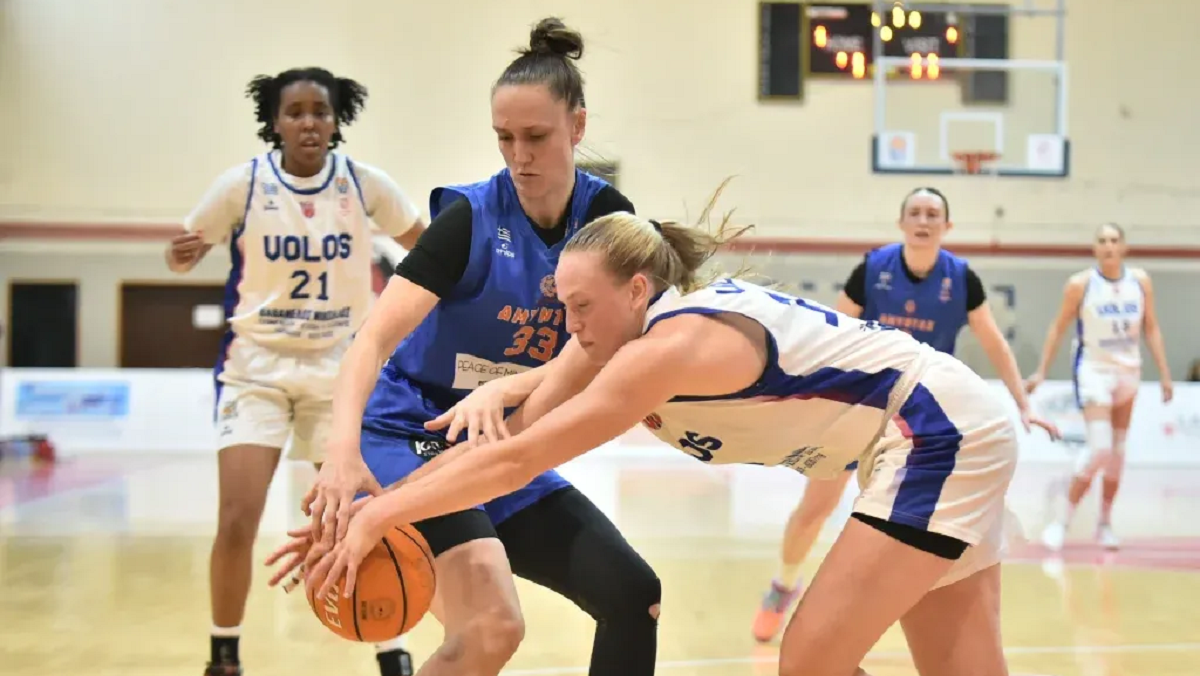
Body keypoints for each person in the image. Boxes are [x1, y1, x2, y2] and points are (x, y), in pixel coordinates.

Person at [295, 202, 1055, 676]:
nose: (568, 327)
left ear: (636, 290)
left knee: (809, 662)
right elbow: (507, 441)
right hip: (939, 427)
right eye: (562, 308)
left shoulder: (667, 347)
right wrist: (378, 505)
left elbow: (522, 460)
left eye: (581, 306)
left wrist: (378, 514)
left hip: (931, 429)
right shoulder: (614, 340)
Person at [274, 18, 660, 676]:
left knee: (632, 595)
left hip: (502, 436)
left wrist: (509, 393)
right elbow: (372, 340)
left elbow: (601, 356)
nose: (519, 155)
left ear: (577, 126)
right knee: (491, 626)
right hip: (410, 430)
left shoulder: (608, 222)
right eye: (504, 137)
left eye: (536, 136)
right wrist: (340, 456)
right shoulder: (470, 219)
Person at [165, 67, 427, 676]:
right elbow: (182, 255)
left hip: (341, 370)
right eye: (295, 112)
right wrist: (179, 256)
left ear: (336, 121)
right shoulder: (242, 186)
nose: (309, 122)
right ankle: (224, 654)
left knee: (359, 512)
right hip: (255, 369)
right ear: (275, 122)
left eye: (320, 111)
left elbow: (429, 247)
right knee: (238, 517)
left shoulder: (364, 184)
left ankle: (391, 647)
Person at [753, 186, 1058, 643]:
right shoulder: (872, 270)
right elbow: (829, 334)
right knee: (815, 509)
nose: (923, 220)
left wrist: (1025, 404)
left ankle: (912, 612)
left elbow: (993, 341)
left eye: (933, 214)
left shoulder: (962, 279)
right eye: (915, 212)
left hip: (922, 421)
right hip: (859, 404)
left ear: (947, 226)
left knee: (910, 521)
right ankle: (783, 584)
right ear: (901, 223)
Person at [1026, 222, 1172, 551]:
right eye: (1102, 240)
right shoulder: (1080, 284)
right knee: (1100, 449)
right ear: (1094, 248)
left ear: (1124, 247)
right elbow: (1058, 327)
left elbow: (1151, 328)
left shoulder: (1140, 281)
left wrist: (1165, 374)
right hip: (1094, 370)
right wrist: (1041, 371)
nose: (1108, 245)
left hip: (1129, 371)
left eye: (1114, 240)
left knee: (1117, 455)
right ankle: (1061, 521)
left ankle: (1104, 523)